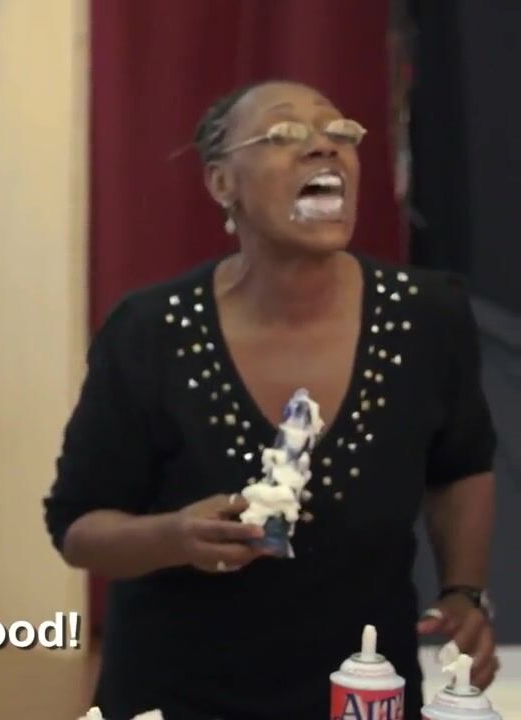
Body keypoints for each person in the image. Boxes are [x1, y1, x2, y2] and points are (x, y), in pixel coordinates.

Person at [44, 80, 497, 719]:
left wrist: (463, 592)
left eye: (339, 132)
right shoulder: (150, 331)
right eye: (284, 134)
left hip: (364, 692)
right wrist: (175, 536)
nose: (323, 147)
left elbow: (461, 466)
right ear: (221, 182)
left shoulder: (428, 315)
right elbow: (78, 529)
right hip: (180, 696)